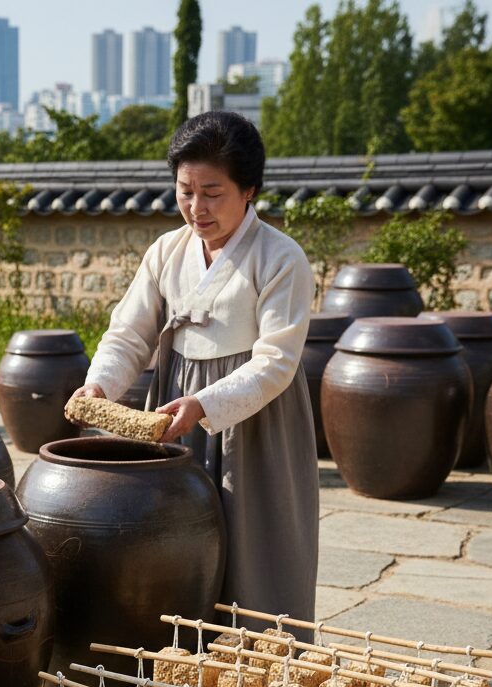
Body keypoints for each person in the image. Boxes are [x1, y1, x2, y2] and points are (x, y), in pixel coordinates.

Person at [72, 110, 319, 627]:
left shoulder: (280, 258)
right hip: (173, 404)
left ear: (248, 190)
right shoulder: (167, 251)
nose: (196, 207)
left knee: (255, 543)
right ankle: (183, 652)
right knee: (175, 541)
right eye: (185, 191)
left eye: (212, 193)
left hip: (254, 420)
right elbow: (129, 332)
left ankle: (263, 654)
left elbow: (276, 361)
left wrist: (205, 404)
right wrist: (99, 385)